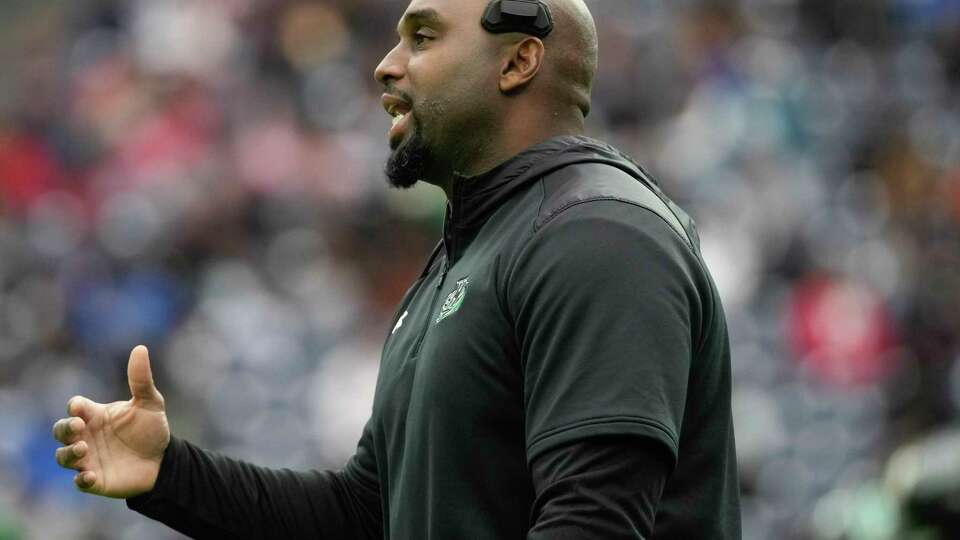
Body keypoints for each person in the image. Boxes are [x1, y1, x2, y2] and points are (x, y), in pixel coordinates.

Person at [52, 0, 741, 537]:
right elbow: (367, 518)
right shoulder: (468, 256)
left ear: (518, 61)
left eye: (423, 36)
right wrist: (169, 476)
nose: (386, 65)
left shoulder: (597, 234)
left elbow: (594, 521)